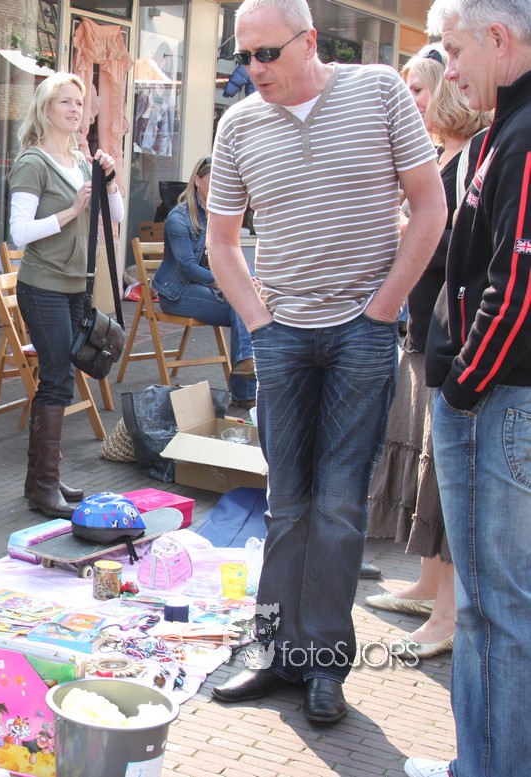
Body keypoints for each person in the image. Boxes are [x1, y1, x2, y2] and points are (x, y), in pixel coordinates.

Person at [204, 0, 445, 725]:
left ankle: (322, 665)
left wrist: (383, 308)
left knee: (339, 505)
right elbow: (221, 242)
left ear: (310, 41)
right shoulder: (237, 125)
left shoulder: (378, 91)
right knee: (285, 502)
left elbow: (430, 206)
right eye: (242, 55)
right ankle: (272, 649)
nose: (252, 69)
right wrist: (259, 323)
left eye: (267, 53)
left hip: (361, 336)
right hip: (283, 334)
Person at [405, 1, 531, 775]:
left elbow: (516, 282)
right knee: (493, 608)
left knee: (495, 610)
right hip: (494, 398)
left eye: (453, 50)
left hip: (494, 401)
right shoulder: (505, 129)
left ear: (499, 38)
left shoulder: (522, 134)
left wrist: (461, 388)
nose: (447, 68)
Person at [365, 44, 490, 662]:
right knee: (422, 464)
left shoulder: (474, 154)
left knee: (443, 472)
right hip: (424, 334)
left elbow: (461, 249)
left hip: (451, 339)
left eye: (417, 89)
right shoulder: (442, 155)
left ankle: (447, 615)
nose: (409, 100)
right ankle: (427, 586)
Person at [8, 73, 122, 518]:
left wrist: (109, 181)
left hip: (76, 286)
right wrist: (73, 210)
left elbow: (115, 215)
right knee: (56, 380)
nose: (76, 110)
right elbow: (19, 233)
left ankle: (41, 480)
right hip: (44, 286)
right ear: (45, 109)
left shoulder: (80, 160)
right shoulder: (32, 163)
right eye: (65, 102)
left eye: (80, 103)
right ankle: (45, 486)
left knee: (62, 377)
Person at [151, 155, 256, 407]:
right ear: (197, 180)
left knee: (248, 301)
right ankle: (245, 390)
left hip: (204, 287)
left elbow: (232, 253)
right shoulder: (178, 218)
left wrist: (249, 278)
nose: (219, 185)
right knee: (242, 304)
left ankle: (246, 368)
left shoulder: (219, 215)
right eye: (212, 179)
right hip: (176, 293)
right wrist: (230, 282)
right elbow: (189, 268)